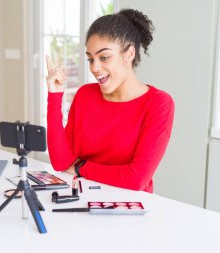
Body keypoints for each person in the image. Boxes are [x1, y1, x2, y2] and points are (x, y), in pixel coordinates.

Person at [45, 9, 174, 193]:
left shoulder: (158, 104)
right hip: (82, 200)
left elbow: (135, 179)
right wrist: (54, 96)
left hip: (130, 208)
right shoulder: (85, 95)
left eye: (104, 57)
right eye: (90, 59)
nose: (95, 68)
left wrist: (80, 167)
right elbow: (60, 162)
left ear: (129, 54)